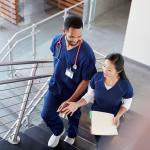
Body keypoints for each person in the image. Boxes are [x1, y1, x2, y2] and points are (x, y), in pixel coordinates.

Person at [41, 15, 97, 148]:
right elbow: (56, 59)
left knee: (73, 115)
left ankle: (71, 135)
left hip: (74, 92)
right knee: (46, 114)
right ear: (64, 31)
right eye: (72, 36)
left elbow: (86, 80)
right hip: (56, 86)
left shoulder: (87, 54)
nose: (76, 40)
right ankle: (58, 131)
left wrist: (72, 100)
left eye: (79, 36)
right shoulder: (57, 41)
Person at [60, 53, 134, 150]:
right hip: (96, 115)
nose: (104, 71)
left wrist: (118, 116)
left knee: (104, 145)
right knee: (98, 138)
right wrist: (76, 104)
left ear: (119, 71)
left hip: (113, 119)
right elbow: (89, 95)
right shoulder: (96, 78)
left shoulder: (125, 86)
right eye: (104, 66)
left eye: (109, 70)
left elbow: (126, 103)